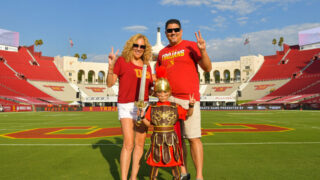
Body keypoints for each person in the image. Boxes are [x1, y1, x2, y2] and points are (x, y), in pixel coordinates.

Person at [156, 19, 212, 180]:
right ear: (166, 33)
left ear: (181, 31)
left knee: (194, 138)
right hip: (170, 100)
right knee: (176, 140)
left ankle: (199, 175)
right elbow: (160, 77)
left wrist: (204, 50)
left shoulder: (190, 45)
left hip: (189, 99)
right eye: (169, 30)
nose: (172, 32)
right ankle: (183, 173)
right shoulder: (162, 53)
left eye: (175, 29)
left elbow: (208, 68)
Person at [107, 33, 153, 180]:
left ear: (145, 49)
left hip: (142, 106)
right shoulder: (122, 61)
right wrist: (110, 66)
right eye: (136, 45)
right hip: (126, 104)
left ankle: (133, 177)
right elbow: (109, 83)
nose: (139, 49)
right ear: (131, 45)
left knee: (140, 144)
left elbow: (150, 88)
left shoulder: (147, 66)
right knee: (128, 143)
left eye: (142, 46)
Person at [139, 67, 195, 180]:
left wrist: (191, 105)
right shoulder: (152, 107)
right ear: (156, 93)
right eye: (159, 92)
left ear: (169, 92)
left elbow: (188, 114)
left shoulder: (175, 107)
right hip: (157, 139)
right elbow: (147, 124)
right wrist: (142, 116)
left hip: (171, 140)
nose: (162, 94)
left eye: (165, 92)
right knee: (155, 163)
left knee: (174, 163)